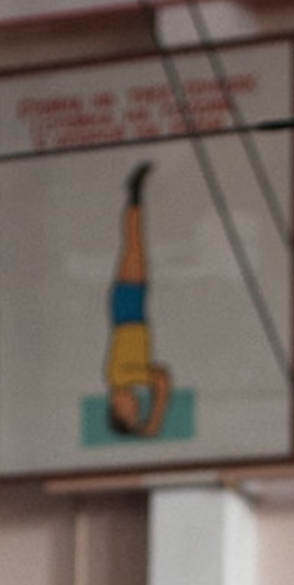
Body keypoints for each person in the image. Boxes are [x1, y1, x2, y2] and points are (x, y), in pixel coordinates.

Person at [103, 160, 171, 437]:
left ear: (116, 405)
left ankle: (134, 194)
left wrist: (154, 420)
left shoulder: (119, 378)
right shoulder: (128, 380)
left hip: (126, 312)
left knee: (134, 244)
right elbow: (160, 376)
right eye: (135, 411)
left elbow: (161, 380)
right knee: (135, 246)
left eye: (130, 410)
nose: (134, 405)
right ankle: (135, 196)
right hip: (134, 315)